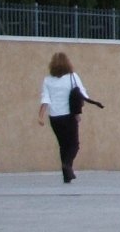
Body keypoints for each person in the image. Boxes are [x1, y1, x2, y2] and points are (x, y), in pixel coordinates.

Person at [38, 51, 96, 183]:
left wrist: (40, 116)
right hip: (69, 116)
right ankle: (67, 165)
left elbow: (45, 98)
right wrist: (85, 104)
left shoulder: (47, 80)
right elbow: (81, 92)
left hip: (54, 117)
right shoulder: (73, 77)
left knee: (63, 145)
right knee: (74, 144)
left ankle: (66, 175)